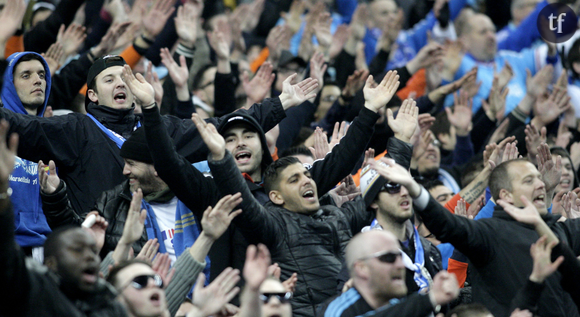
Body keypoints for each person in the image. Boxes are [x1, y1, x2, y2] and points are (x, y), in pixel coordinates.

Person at [141, 70, 403, 281]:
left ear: (262, 142)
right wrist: (151, 109)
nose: (240, 143)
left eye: (248, 136)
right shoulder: (212, 190)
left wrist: (369, 110)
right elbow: (169, 165)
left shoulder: (290, 182)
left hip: (297, 298)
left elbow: (340, 160)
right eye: (230, 139)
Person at [0, 56, 290, 216]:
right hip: (105, 245)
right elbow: (23, 128)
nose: (120, 83)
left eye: (125, 77)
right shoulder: (75, 129)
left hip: (160, 244)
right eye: (109, 79)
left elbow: (218, 126)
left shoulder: (158, 129)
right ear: (92, 95)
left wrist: (281, 103)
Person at [366, 154, 580, 317]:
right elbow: (446, 224)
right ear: (505, 195)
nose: (540, 183)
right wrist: (414, 189)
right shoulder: (489, 233)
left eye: (538, 178)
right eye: (528, 180)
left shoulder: (559, 230)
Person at [0, 119, 127, 316]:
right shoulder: (37, 298)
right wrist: (2, 190)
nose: (89, 257)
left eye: (93, 251)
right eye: (77, 250)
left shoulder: (110, 304)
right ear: (49, 264)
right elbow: (5, 254)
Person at [39, 127, 207, 266]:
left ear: (159, 167)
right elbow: (76, 235)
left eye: (132, 164)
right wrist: (55, 197)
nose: (125, 171)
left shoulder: (199, 194)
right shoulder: (112, 201)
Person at [320, 230, 458, 316]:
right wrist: (430, 298)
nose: (400, 264)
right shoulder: (337, 310)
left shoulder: (398, 306)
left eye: (400, 257)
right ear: (362, 268)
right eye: (389, 258)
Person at [0, 52, 52, 260]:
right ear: (8, 85)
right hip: (8, 250)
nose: (38, 80)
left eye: (41, 74)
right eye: (26, 75)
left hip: (49, 252)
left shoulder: (59, 138)